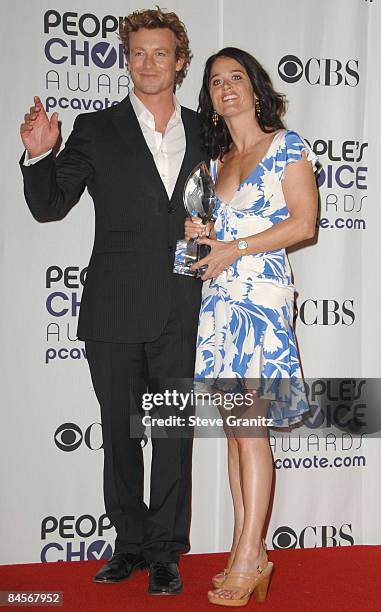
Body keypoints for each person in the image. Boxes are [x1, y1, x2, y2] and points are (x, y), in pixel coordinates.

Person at [20, 7, 206, 596]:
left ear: (180, 62)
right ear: (127, 59)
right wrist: (39, 155)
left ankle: (166, 552)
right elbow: (50, 207)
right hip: (114, 309)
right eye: (139, 53)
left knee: (173, 432)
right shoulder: (95, 127)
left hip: (183, 305)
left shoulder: (208, 130)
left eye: (161, 53)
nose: (149, 63)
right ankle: (128, 545)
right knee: (120, 434)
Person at [185, 47, 318, 607]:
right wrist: (197, 242)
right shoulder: (211, 168)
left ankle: (248, 555)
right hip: (217, 307)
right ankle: (247, 550)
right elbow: (198, 252)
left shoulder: (286, 146)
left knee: (251, 429)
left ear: (257, 89)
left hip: (260, 303)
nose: (226, 86)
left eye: (236, 77)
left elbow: (303, 223)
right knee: (236, 438)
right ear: (211, 100)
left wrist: (234, 246)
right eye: (216, 82)